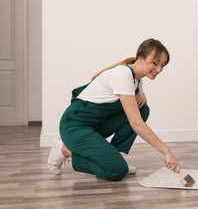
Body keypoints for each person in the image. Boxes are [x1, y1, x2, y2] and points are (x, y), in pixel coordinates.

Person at [47, 38, 180, 181]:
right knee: (116, 171)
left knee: (143, 109)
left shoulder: (137, 77)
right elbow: (136, 124)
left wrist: (141, 92)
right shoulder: (122, 75)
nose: (159, 69)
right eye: (155, 63)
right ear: (141, 58)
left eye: (163, 65)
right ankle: (64, 150)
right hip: (75, 126)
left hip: (95, 125)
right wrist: (167, 151)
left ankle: (117, 156)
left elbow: (138, 100)